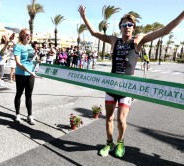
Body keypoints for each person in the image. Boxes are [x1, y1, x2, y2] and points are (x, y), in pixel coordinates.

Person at [78, 5, 184, 158]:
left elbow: (165, 30)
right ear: (120, 27)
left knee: (121, 120)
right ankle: (109, 143)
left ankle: (120, 142)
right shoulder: (114, 40)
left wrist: (182, 14)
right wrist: (84, 17)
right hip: (111, 86)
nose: (127, 27)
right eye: (124, 25)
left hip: (127, 88)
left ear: (133, 27)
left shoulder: (138, 41)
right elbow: (94, 33)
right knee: (108, 118)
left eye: (130, 25)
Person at [13, 28, 37, 125]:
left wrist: (37, 62)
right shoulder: (18, 46)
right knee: (19, 94)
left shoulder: (31, 47)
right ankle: (17, 115)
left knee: (29, 95)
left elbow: (30, 61)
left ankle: (29, 116)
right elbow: (18, 63)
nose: (28, 36)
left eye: (29, 35)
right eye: (26, 35)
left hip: (30, 74)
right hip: (21, 74)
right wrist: (29, 71)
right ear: (22, 35)